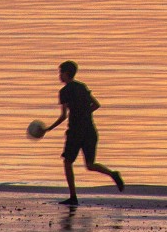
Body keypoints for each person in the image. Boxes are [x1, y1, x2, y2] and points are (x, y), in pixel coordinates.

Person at [49, 60, 125, 205]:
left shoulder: (64, 92)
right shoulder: (82, 87)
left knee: (67, 162)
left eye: (61, 73)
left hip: (76, 132)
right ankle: (112, 174)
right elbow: (96, 104)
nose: (59, 75)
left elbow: (63, 116)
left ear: (66, 74)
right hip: (90, 131)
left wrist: (48, 129)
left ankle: (73, 197)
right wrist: (84, 113)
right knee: (90, 165)